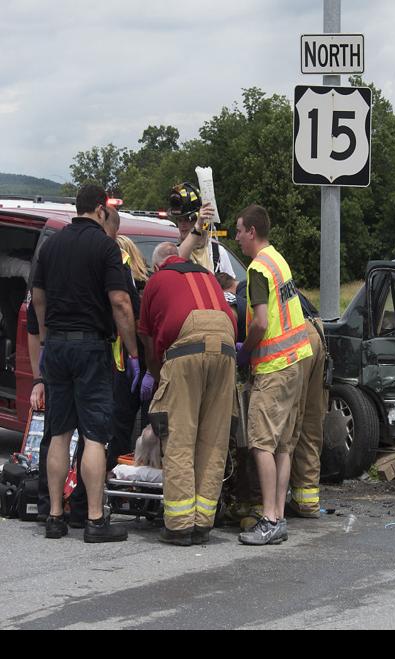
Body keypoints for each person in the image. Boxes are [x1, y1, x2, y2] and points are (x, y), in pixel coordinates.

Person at [30, 184, 140, 543]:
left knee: (59, 432)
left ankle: (55, 517)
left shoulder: (51, 246)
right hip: (91, 347)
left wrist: (48, 340)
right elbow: (121, 302)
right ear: (100, 210)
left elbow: (39, 299)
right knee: (95, 434)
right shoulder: (105, 246)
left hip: (58, 347)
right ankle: (94, 520)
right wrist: (133, 349)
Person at [137, 210, 237, 546]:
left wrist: (154, 378)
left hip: (184, 353)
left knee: (179, 437)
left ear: (157, 266)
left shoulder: (157, 282)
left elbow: (149, 341)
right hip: (225, 352)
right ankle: (203, 522)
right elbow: (230, 317)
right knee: (213, 439)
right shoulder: (208, 277)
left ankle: (179, 525)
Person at [235, 204, 312, 545]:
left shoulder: (256, 270)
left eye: (238, 231)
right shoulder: (278, 260)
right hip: (295, 362)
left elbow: (262, 321)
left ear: (251, 231)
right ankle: (277, 515)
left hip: (273, 366)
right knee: (282, 445)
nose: (236, 238)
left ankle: (267, 519)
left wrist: (245, 350)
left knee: (261, 443)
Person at [66, 200, 144, 528]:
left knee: (70, 434)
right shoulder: (114, 257)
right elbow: (126, 307)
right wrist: (136, 355)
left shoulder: (70, 250)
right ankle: (95, 505)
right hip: (112, 360)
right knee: (104, 434)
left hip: (72, 351)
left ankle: (66, 506)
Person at [287, 292, 329, 519]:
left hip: (296, 336)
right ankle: (307, 502)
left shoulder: (248, 288)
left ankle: (263, 504)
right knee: (312, 422)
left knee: (289, 420)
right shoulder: (285, 282)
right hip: (318, 330)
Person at [168, 181, 236, 285]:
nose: (182, 225)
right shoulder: (175, 252)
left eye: (187, 219)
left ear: (198, 218)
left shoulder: (217, 252)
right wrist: (198, 226)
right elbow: (179, 258)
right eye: (179, 220)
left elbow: (232, 288)